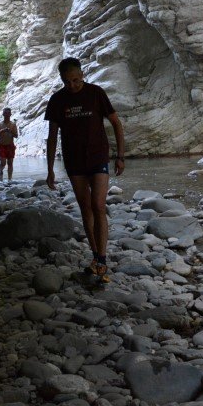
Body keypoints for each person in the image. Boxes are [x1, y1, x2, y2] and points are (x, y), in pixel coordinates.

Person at [45, 57, 125, 282]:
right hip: (74, 161)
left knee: (98, 205)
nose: (73, 85)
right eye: (67, 82)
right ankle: (96, 257)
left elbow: (116, 124)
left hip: (98, 156)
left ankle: (102, 258)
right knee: (85, 208)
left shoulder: (96, 93)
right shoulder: (57, 100)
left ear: (82, 75)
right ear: (61, 80)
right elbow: (52, 138)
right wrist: (50, 169)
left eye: (76, 80)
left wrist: (120, 156)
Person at [0, 107, 19, 181]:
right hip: (2, 146)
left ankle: (10, 179)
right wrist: (1, 131)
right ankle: (1, 171)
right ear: (3, 114)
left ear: (10, 114)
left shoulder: (13, 125)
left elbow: (16, 136)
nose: (6, 114)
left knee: (10, 163)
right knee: (3, 163)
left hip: (10, 146)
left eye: (8, 113)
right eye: (5, 113)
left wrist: (11, 132)